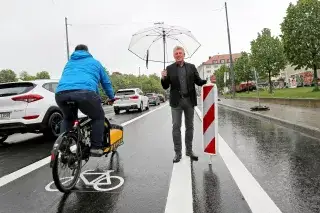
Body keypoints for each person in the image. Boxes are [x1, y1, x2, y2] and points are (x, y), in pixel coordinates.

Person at [55, 44, 115, 156]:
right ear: (87, 51)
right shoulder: (95, 63)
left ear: (75, 52)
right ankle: (96, 147)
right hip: (85, 94)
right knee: (98, 117)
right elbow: (105, 83)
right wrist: (111, 97)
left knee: (68, 118)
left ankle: (64, 146)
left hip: (61, 94)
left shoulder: (69, 63)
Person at [161, 46, 207, 163]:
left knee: (189, 126)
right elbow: (165, 86)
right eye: (176, 53)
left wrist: (207, 81)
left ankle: (189, 150)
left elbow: (198, 81)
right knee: (176, 127)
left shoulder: (191, 67)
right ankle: (177, 153)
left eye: (180, 53)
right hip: (176, 102)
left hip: (189, 101)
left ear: (184, 54)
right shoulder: (169, 68)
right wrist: (163, 77)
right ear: (173, 55)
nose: (178, 55)